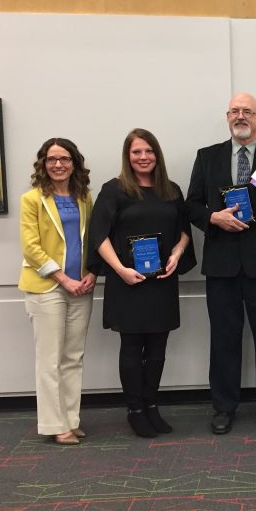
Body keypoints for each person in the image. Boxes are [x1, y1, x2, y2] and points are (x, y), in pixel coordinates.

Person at [186, 92, 256, 434]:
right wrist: (213, 218)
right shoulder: (207, 157)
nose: (241, 116)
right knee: (223, 339)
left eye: (247, 111)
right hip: (221, 266)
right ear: (227, 116)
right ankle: (224, 407)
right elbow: (190, 205)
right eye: (235, 111)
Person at [89, 128, 195, 438]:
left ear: (157, 155)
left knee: (159, 349)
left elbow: (184, 230)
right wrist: (120, 269)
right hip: (128, 282)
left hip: (161, 280)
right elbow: (99, 236)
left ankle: (151, 405)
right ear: (128, 156)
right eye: (137, 152)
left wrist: (176, 254)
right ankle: (135, 409)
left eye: (149, 151)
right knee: (133, 347)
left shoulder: (171, 190)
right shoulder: (114, 190)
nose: (143, 157)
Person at [19, 138, 96, 446]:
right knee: (49, 360)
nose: (58, 164)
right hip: (48, 287)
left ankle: (71, 420)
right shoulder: (32, 199)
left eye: (64, 159)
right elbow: (31, 247)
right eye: (52, 159)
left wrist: (90, 272)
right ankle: (54, 424)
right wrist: (64, 278)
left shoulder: (84, 197)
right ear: (43, 164)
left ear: (74, 163)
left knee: (73, 357)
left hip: (83, 286)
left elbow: (92, 238)